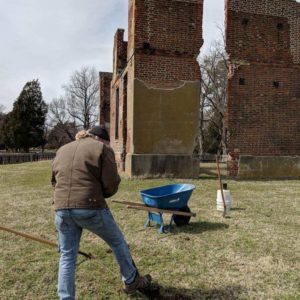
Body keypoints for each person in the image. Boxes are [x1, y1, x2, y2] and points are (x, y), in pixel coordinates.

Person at [51, 125, 152, 300]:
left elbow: (54, 181)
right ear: (100, 139)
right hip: (90, 206)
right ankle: (131, 280)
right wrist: (101, 193)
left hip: (61, 209)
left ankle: (66, 298)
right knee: (117, 242)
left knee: (67, 256)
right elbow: (111, 183)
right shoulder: (102, 149)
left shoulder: (62, 149)